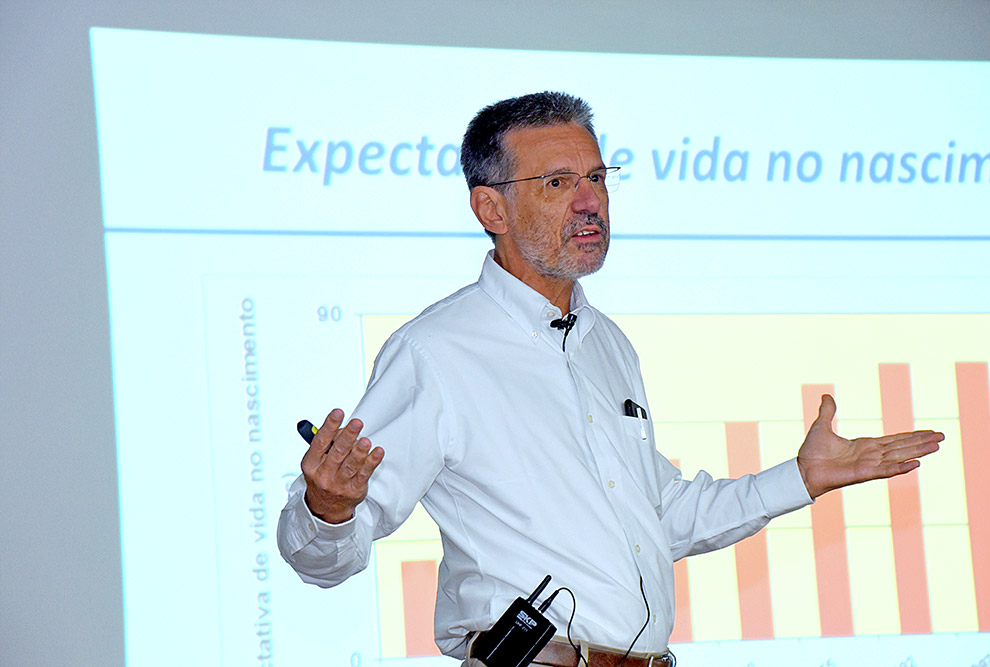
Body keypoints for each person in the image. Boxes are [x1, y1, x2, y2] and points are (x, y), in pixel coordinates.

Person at [277, 92, 942, 666]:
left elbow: (657, 516)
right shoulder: (436, 350)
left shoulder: (608, 344)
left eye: (597, 177)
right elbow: (328, 557)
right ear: (491, 209)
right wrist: (327, 507)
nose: (592, 201)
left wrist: (800, 478)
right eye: (558, 183)